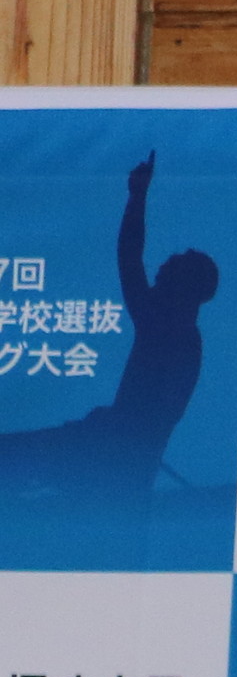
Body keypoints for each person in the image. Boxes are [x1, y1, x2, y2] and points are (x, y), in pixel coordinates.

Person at [0, 155, 219, 498]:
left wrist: (138, 196)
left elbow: (129, 260)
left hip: (108, 459)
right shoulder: (175, 331)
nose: (164, 264)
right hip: (115, 459)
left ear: (186, 286)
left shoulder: (169, 330)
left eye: (175, 265)